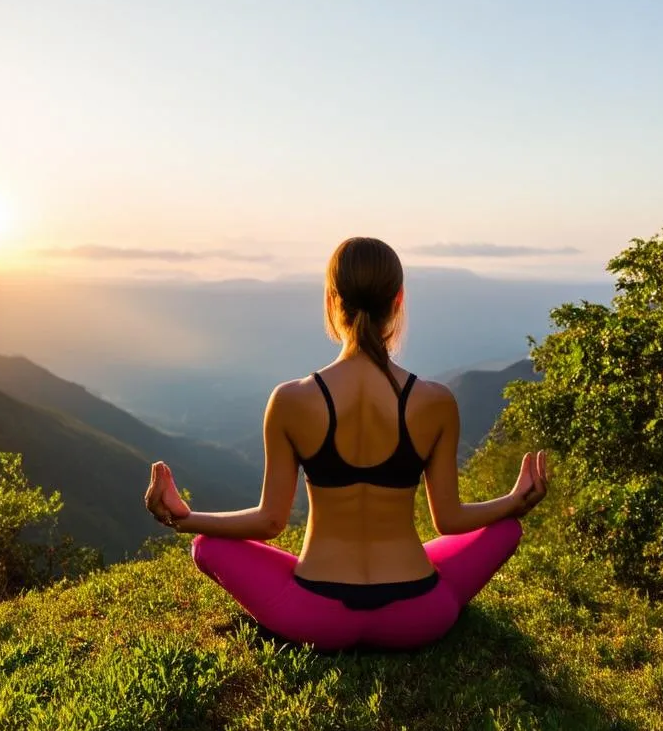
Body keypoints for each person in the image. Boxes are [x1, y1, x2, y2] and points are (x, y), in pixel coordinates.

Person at [144, 236, 548, 650]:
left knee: (206, 547)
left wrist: (185, 517)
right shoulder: (436, 401)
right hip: (419, 614)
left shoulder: (291, 400)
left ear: (332, 299)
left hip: (316, 616)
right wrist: (513, 502)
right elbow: (448, 519)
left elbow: (269, 521)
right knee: (505, 531)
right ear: (398, 299)